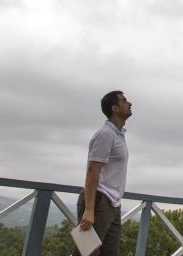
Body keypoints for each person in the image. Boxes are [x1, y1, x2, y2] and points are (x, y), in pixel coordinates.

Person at [75, 90, 132, 256]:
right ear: (114, 108)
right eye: (124, 101)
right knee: (85, 252)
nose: (129, 103)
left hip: (113, 203)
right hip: (99, 200)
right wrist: (89, 210)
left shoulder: (118, 135)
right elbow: (92, 172)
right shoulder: (105, 134)